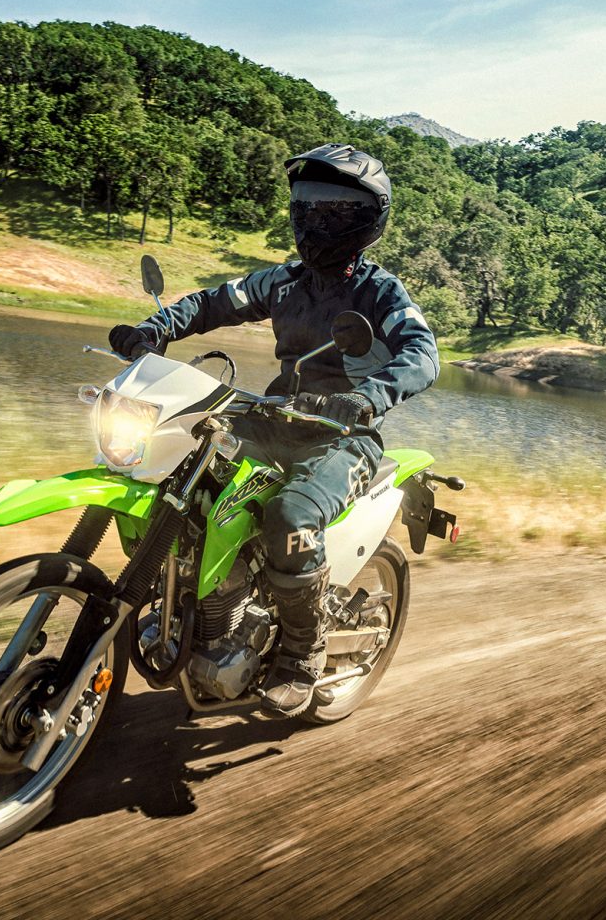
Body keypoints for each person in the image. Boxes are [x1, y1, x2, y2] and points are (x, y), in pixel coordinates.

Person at [107, 143, 439, 716]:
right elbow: (214, 303)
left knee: (289, 515)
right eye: (307, 204)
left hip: (342, 436)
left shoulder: (380, 292)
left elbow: (423, 354)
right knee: (176, 464)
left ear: (367, 219)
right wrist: (154, 330)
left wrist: (368, 397)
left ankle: (302, 653)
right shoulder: (285, 281)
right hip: (275, 416)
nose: (315, 217)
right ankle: (197, 599)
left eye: (334, 208)